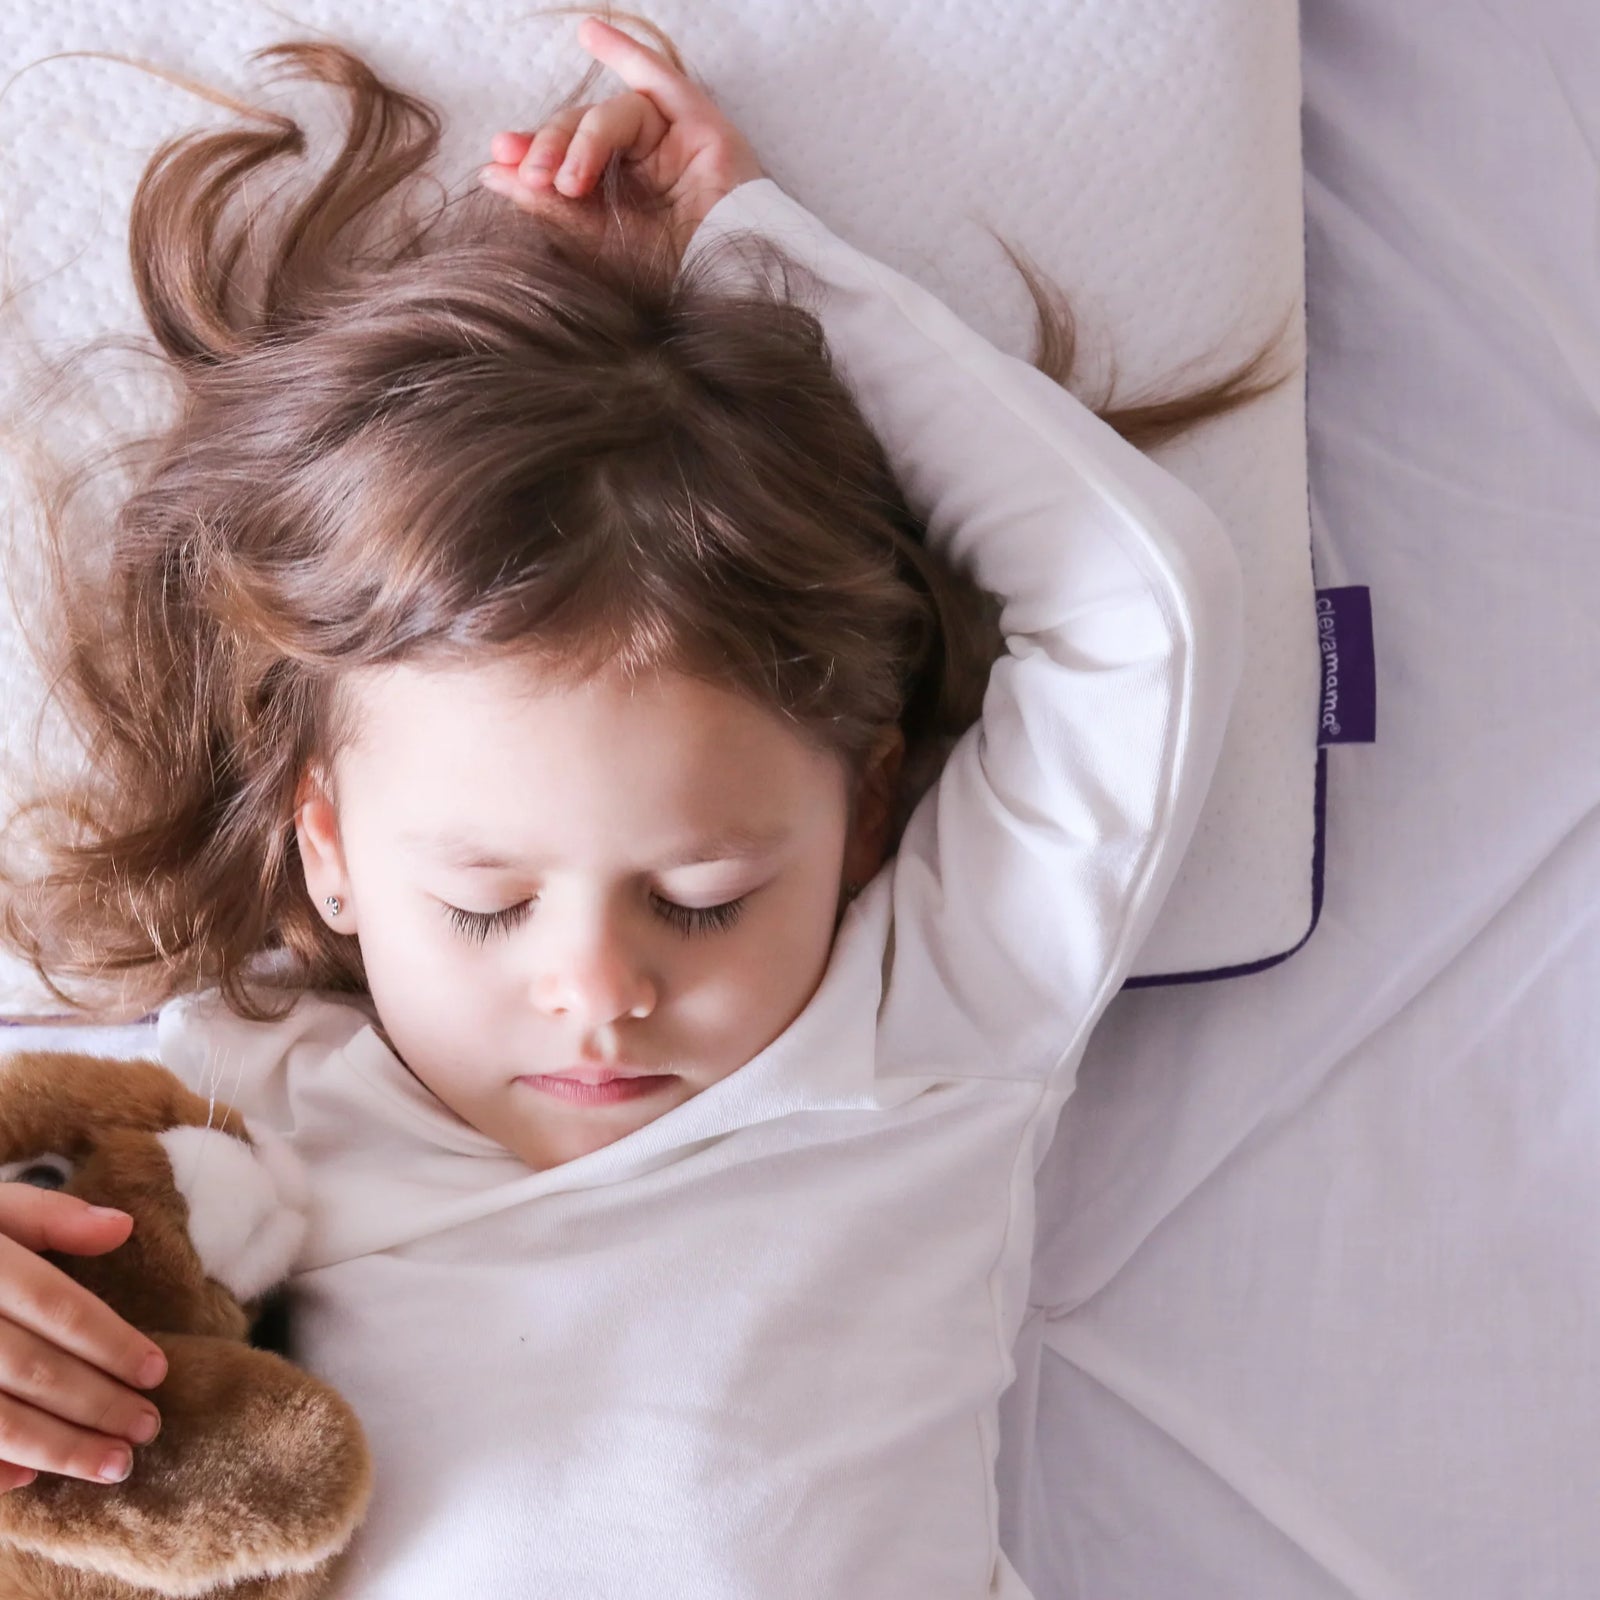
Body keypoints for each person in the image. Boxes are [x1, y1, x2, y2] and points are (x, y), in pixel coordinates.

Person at [0, 10, 1287, 1594]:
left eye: (702, 898)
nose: (599, 993)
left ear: (867, 819)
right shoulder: (238, 1105)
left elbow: (1140, 611)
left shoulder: (925, 1024)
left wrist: (764, 262)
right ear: (329, 847)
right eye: (483, 903)